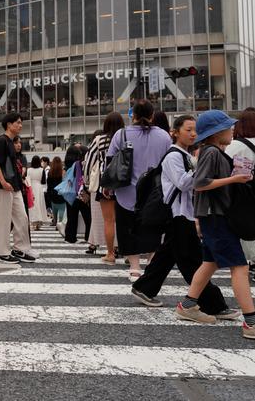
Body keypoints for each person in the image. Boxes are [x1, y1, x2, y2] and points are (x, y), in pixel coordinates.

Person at [130, 115, 237, 320]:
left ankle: (144, 288)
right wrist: (204, 172)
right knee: (193, 261)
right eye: (188, 129)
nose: (193, 134)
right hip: (176, 214)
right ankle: (212, 304)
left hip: (183, 214)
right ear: (176, 132)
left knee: (167, 255)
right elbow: (183, 183)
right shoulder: (173, 156)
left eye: (195, 130)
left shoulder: (186, 155)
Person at [174, 110, 255, 339]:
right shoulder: (211, 152)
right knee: (239, 266)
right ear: (217, 132)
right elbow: (200, 184)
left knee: (210, 262)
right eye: (228, 127)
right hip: (216, 216)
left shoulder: (214, 151)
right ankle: (251, 322)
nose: (232, 130)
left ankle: (188, 306)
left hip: (213, 216)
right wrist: (234, 179)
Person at [106, 100, 172, 282]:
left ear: (132, 115)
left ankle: (134, 268)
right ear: (152, 115)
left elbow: (110, 161)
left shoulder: (121, 134)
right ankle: (151, 261)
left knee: (128, 228)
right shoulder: (164, 136)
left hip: (126, 190)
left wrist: (108, 187)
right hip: (155, 191)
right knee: (153, 226)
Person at [0, 112, 35, 263]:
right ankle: (2, 251)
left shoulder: (10, 141)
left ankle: (19, 248)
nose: (20, 125)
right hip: (4, 185)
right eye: (17, 122)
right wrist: (3, 182)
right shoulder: (2, 141)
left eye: (21, 122)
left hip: (14, 185)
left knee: (22, 217)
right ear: (9, 124)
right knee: (3, 218)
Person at [84, 112, 124, 262]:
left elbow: (89, 162)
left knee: (109, 220)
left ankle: (110, 253)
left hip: (106, 183)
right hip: (124, 184)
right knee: (124, 220)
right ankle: (126, 251)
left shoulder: (99, 140)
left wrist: (87, 182)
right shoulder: (126, 138)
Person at [225, 107, 255, 267]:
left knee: (246, 227)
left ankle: (249, 261)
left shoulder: (236, 145)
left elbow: (222, 166)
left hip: (243, 193)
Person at [63, 143, 90, 244]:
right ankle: (88, 237)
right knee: (88, 217)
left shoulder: (67, 163)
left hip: (70, 192)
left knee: (71, 217)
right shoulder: (80, 163)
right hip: (80, 192)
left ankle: (69, 237)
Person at [27, 156, 49, 230]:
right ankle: (39, 224)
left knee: (32, 205)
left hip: (31, 187)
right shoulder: (41, 170)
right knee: (39, 204)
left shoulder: (29, 170)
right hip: (39, 188)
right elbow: (43, 181)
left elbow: (27, 179)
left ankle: (32, 222)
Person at [47, 156, 66, 225]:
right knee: (61, 208)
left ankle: (54, 221)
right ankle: (60, 223)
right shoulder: (62, 172)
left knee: (54, 207)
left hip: (52, 192)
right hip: (60, 193)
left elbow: (48, 184)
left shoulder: (50, 172)